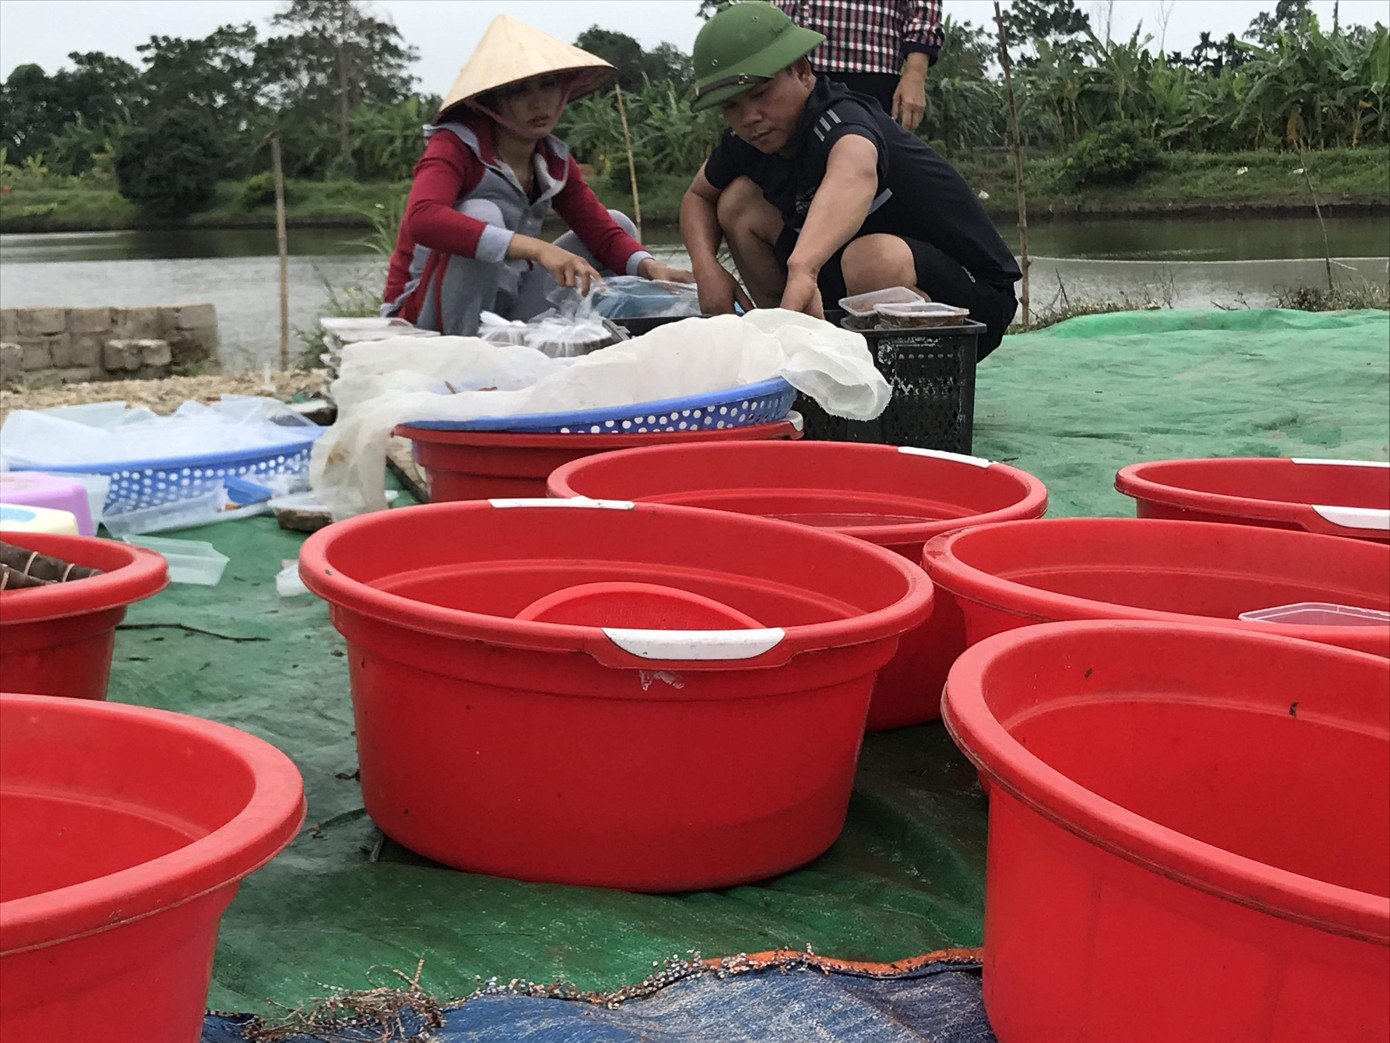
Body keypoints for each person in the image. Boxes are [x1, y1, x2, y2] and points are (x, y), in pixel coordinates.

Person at [679, 1, 1019, 358]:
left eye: (760, 94)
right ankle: (788, 344)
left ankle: (913, 390)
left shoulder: (841, 118)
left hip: (972, 298)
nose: (750, 117)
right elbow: (698, 197)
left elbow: (854, 171)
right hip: (854, 286)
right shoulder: (745, 142)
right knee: (738, 202)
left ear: (802, 71)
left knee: (871, 259)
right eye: (730, 106)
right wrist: (705, 268)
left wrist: (803, 268)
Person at [382, 15, 692, 336]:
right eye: (518, 90)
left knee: (619, 223)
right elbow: (423, 219)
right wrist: (539, 249)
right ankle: (461, 347)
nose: (538, 101)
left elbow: (602, 232)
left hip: (507, 299)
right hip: (425, 312)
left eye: (547, 85)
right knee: (483, 212)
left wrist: (653, 268)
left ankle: (521, 339)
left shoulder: (553, 159)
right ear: (491, 101)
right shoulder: (455, 144)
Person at [772, 0, 943, 132]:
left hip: (866, 64)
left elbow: (925, 8)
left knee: (863, 159)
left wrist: (915, 73)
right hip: (785, 61)